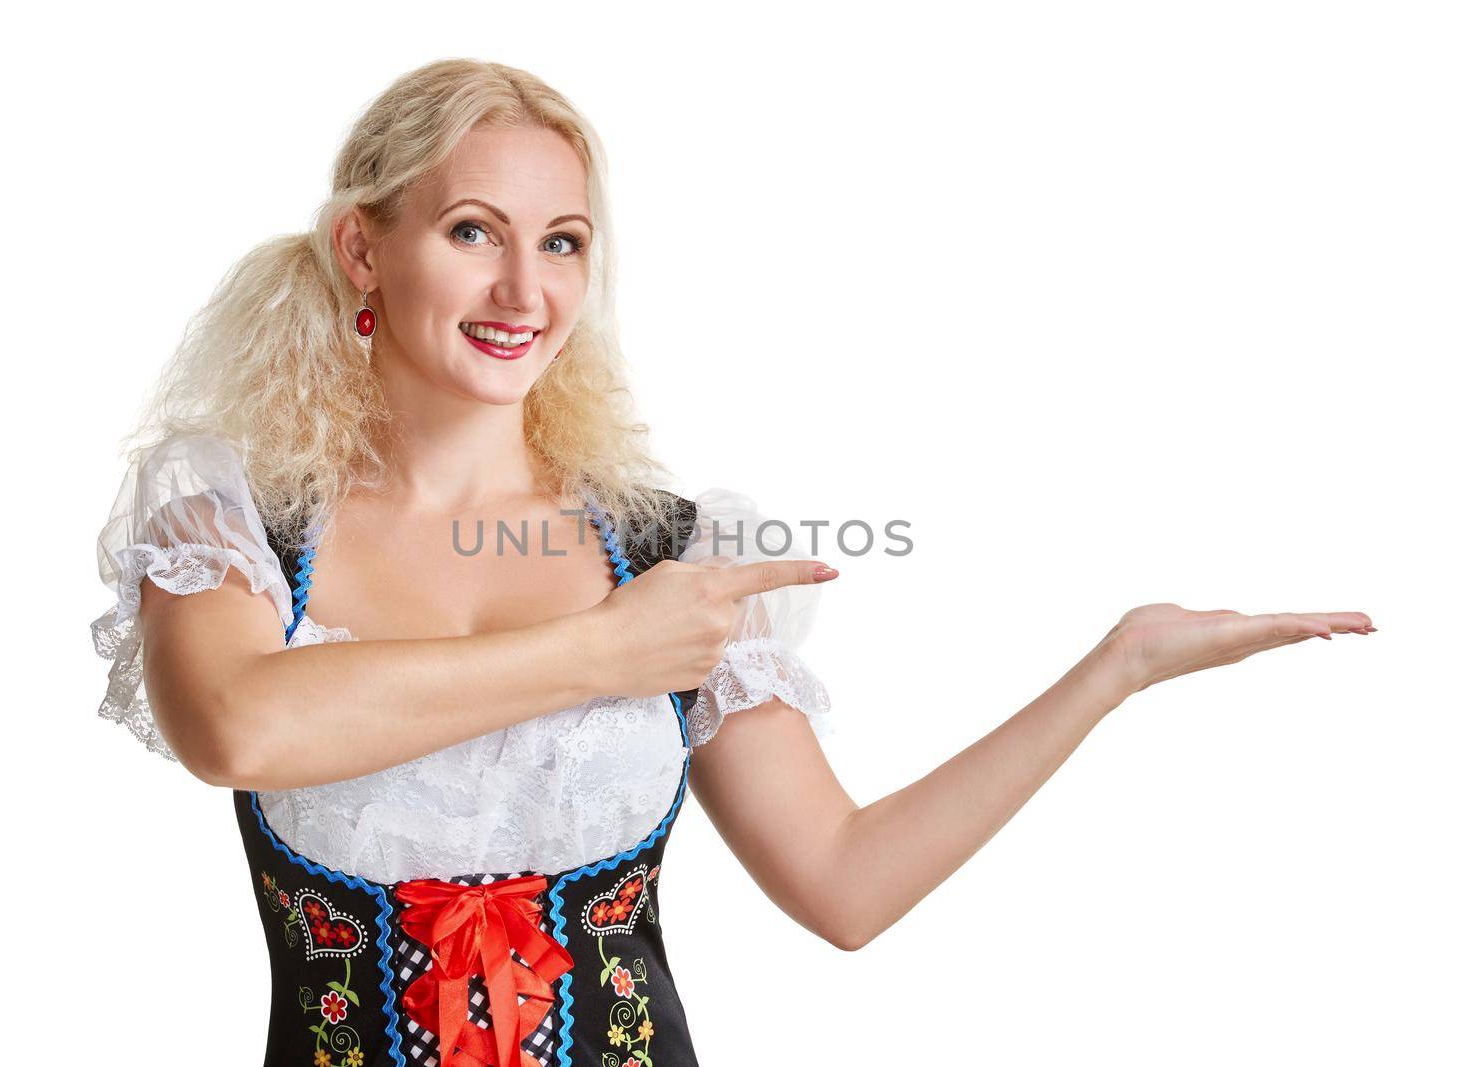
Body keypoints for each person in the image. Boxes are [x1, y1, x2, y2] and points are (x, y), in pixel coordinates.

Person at [88, 59, 1375, 1067]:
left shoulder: (666, 550)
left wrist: (1115, 668)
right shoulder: (240, 515)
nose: (523, 288)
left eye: (563, 241)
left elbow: (845, 883)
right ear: (363, 249)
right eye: (474, 230)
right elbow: (238, 726)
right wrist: (601, 652)